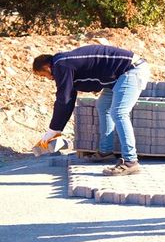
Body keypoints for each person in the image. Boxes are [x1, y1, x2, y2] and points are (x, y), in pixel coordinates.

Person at [32, 45, 150, 176]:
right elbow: (69, 96)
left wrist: (53, 131)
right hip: (117, 76)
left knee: (119, 112)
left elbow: (64, 99)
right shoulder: (64, 62)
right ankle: (106, 152)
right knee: (103, 106)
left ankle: (130, 162)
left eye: (44, 75)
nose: (50, 79)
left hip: (130, 70)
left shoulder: (60, 65)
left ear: (48, 67)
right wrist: (56, 130)